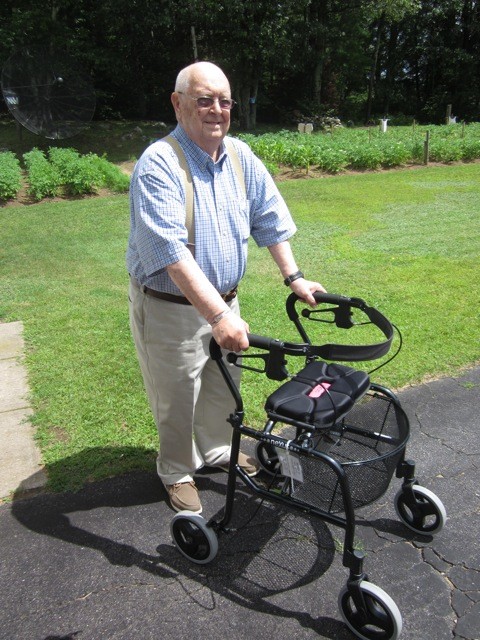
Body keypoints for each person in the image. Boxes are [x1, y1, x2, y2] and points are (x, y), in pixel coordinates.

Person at [127, 61, 326, 515]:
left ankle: (218, 450)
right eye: (204, 99)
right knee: (176, 394)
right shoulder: (159, 164)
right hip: (170, 306)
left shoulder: (239, 156)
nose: (217, 110)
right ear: (178, 105)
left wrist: (293, 276)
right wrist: (217, 317)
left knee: (222, 386)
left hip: (226, 302)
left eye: (225, 101)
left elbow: (270, 217)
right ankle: (176, 470)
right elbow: (170, 252)